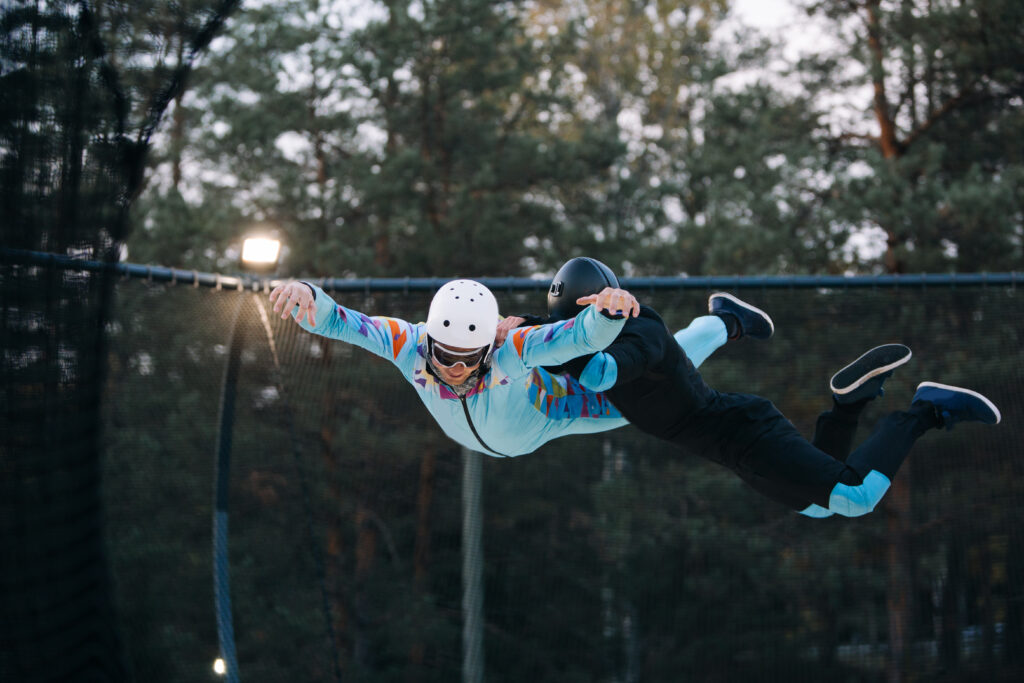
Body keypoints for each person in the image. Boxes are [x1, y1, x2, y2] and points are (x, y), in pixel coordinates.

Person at [505, 257, 1001, 518]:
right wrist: (518, 326)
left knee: (856, 497)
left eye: (578, 330)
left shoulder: (640, 334)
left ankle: (925, 410)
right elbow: (568, 346)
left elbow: (600, 372)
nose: (573, 341)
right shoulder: (583, 341)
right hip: (731, 450)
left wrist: (549, 336)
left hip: (745, 432)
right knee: (820, 510)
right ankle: (847, 406)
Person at [270, 277, 742, 458]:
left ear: (487, 344)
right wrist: (309, 294)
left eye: (466, 359)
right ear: (429, 336)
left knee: (639, 400)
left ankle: (721, 323)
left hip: (547, 411)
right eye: (444, 355)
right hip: (489, 435)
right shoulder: (408, 344)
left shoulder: (510, 349)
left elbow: (577, 338)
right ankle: (721, 323)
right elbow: (344, 323)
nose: (454, 369)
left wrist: (606, 313)